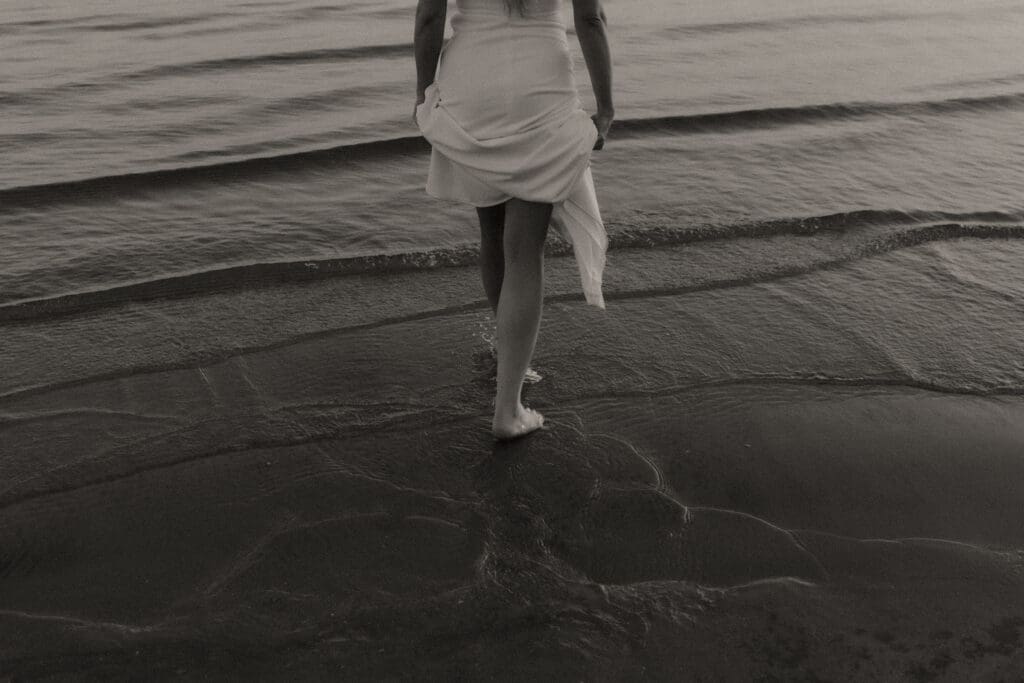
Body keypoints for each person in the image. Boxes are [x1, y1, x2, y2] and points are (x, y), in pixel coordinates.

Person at [413, 0, 614, 440]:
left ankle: (511, 362)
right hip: (540, 88)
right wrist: (607, 108)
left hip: (471, 86)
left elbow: (429, 17)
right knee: (524, 251)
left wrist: (423, 94)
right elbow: (590, 18)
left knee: (492, 233)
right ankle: (509, 409)